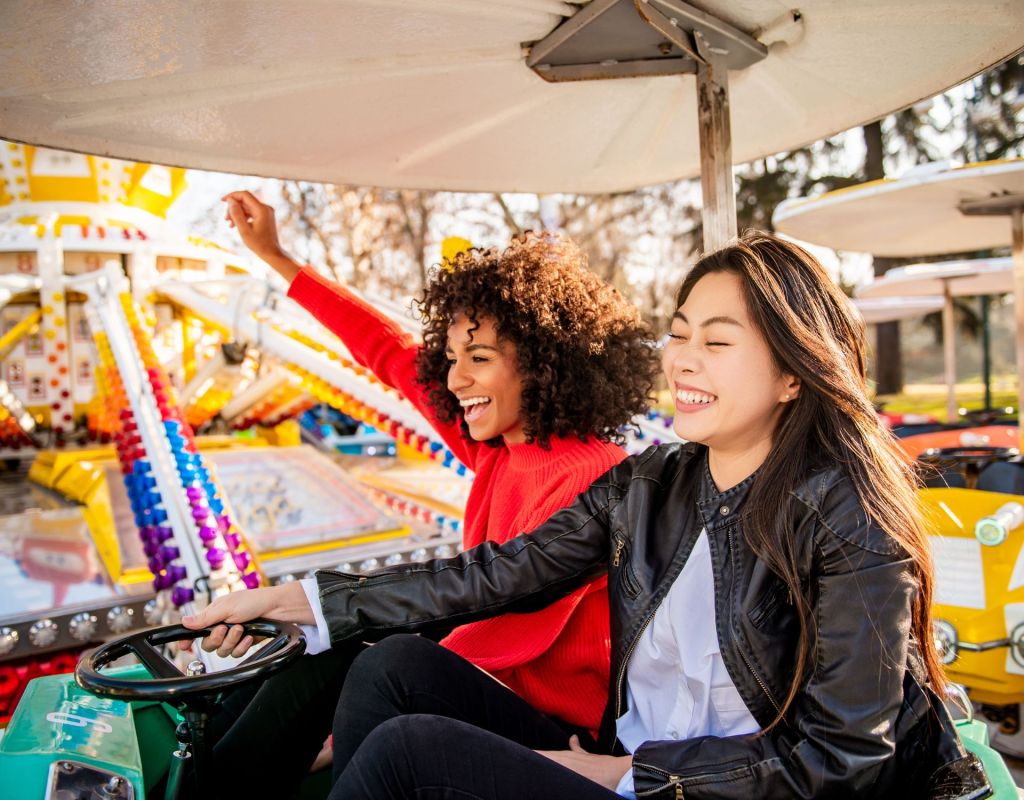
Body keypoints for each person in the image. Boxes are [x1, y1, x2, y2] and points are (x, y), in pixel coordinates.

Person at [185, 231, 988, 799]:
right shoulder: (653, 482)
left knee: (406, 751)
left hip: (700, 789)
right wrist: (305, 605)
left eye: (716, 342)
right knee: (390, 666)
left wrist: (627, 774)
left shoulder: (848, 518)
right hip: (628, 757)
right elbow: (498, 574)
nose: (681, 361)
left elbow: (841, 761)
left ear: (793, 376)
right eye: (677, 336)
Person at [193, 191, 660, 795]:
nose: (456, 378)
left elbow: (503, 616)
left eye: (479, 357)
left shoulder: (594, 474)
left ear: (543, 363)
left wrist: (346, 634)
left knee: (376, 654)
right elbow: (387, 352)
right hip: (497, 692)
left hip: (564, 735)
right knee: (346, 646)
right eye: (451, 357)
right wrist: (279, 259)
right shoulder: (498, 450)